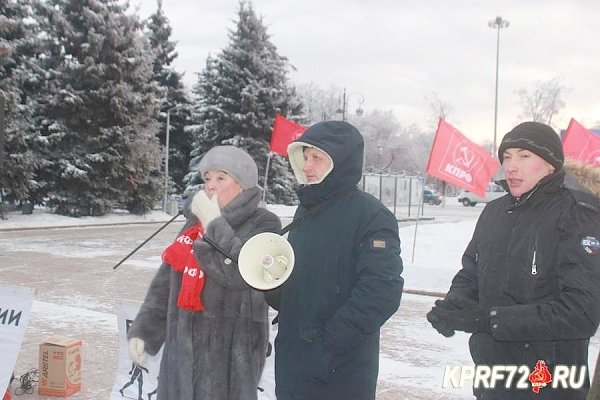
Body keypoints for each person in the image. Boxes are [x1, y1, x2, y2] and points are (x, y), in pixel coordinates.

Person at [426, 121, 600, 399]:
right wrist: (454, 305)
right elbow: (471, 273)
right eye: (506, 156)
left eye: (524, 156)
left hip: (550, 382)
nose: (511, 166)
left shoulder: (577, 214)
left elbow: (581, 313)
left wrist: (488, 320)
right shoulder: (494, 212)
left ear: (551, 164)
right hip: (493, 375)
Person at [127, 145, 282, 400]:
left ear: (242, 185)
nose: (210, 185)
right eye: (207, 178)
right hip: (180, 363)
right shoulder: (193, 226)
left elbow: (240, 274)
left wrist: (213, 224)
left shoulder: (264, 224)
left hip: (229, 363)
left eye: (221, 177)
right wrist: (145, 331)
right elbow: (165, 284)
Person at [265, 120, 404, 400]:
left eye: (317, 158)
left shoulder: (371, 215)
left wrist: (329, 342)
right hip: (293, 362)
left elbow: (382, 291)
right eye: (305, 157)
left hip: (340, 370)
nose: (307, 166)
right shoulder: (306, 209)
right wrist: (271, 282)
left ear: (341, 162)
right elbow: (299, 285)